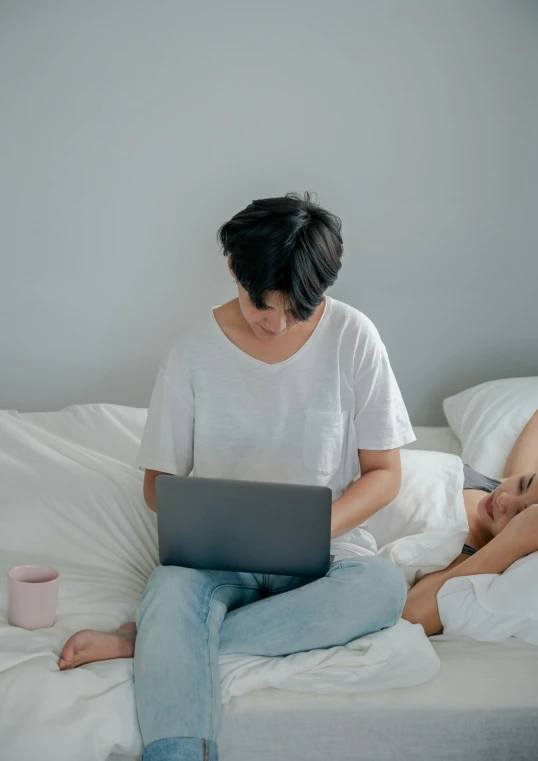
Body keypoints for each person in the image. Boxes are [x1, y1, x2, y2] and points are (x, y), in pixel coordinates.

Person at [58, 191, 417, 761]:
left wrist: (316, 527)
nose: (276, 323)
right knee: (171, 591)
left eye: (296, 310)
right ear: (233, 270)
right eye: (261, 306)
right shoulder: (192, 352)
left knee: (383, 588)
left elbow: (385, 473)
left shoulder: (354, 337)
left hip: (326, 554)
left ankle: (151, 642)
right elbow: (158, 484)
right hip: (216, 559)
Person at [402, 410, 538, 635]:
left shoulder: (466, 555)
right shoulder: (499, 487)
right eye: (524, 483)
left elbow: (410, 615)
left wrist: (511, 544)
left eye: (517, 514)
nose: (503, 498)